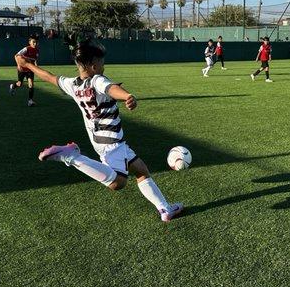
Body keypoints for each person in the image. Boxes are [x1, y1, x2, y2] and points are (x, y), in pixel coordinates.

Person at [15, 40, 183, 222]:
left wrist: (28, 65)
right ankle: (72, 156)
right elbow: (111, 88)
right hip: (111, 141)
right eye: (102, 62)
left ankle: (165, 209)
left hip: (101, 139)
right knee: (118, 183)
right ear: (94, 65)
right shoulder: (97, 80)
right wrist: (127, 96)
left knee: (140, 169)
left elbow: (49, 77)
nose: (104, 66)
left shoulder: (73, 84)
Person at [9, 35, 39, 106]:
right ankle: (12, 86)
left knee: (31, 84)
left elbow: (34, 59)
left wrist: (36, 65)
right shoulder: (26, 49)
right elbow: (16, 56)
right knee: (19, 84)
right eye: (33, 42)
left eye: (36, 42)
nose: (35, 43)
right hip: (22, 69)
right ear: (29, 42)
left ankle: (30, 101)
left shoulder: (37, 50)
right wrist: (19, 65)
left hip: (30, 69)